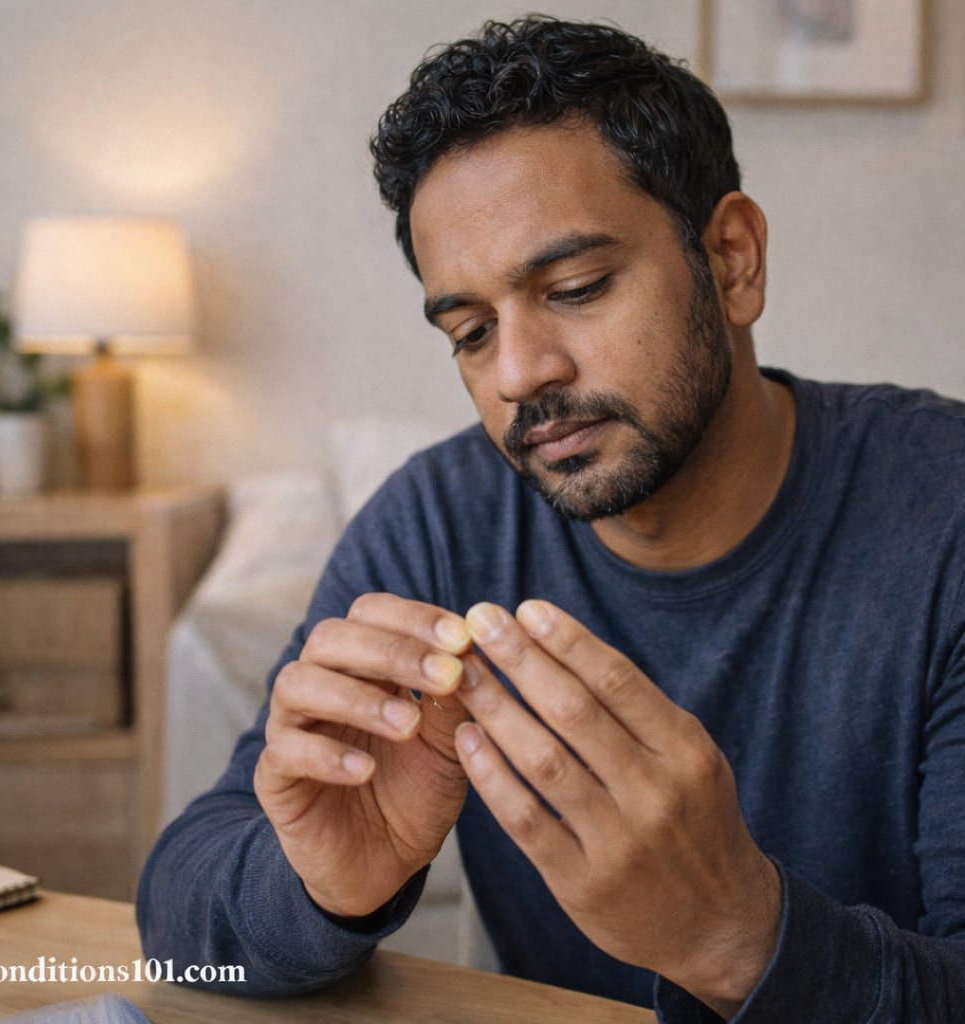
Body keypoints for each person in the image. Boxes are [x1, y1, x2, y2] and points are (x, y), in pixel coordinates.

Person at [137, 17, 965, 1022]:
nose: (521, 373)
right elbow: (183, 896)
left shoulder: (942, 518)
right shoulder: (438, 525)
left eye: (574, 289)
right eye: (472, 333)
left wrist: (736, 935)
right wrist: (320, 888)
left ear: (732, 259)